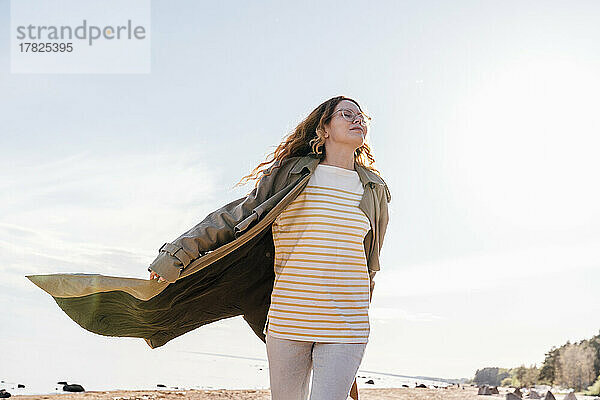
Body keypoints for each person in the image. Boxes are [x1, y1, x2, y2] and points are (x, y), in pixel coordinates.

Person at [150, 95, 390, 400]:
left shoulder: (374, 188)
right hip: (289, 318)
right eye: (346, 114)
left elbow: (370, 260)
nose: (358, 120)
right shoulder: (289, 174)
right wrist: (176, 253)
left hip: (347, 323)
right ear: (324, 128)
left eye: (361, 116)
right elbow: (234, 216)